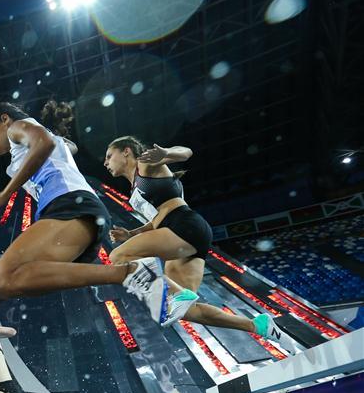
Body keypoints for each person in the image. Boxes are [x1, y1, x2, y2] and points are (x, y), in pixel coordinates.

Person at [0, 101, 198, 393]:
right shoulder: (20, 149)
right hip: (72, 216)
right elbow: (59, 144)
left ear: (4, 119)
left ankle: (130, 272)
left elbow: (45, 142)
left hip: (70, 207)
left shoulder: (17, 127)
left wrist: (4, 195)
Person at [103, 136, 289, 348]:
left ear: (126, 151)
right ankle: (259, 326)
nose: (106, 163)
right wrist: (131, 234)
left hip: (184, 226)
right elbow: (156, 220)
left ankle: (179, 294)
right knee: (186, 310)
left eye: (109, 156)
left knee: (118, 256)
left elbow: (186, 151)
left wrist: (166, 153)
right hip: (184, 233)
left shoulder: (145, 165)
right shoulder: (135, 187)